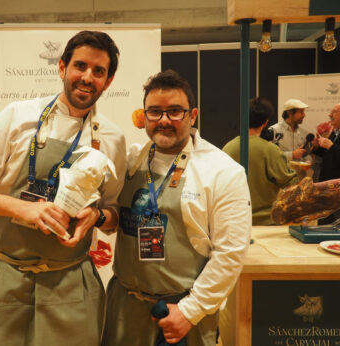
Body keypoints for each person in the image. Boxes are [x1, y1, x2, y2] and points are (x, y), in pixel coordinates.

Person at [0, 30, 126, 346]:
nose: (87, 77)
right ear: (62, 67)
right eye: (80, 66)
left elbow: (114, 213)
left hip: (70, 282)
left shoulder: (112, 139)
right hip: (4, 276)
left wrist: (97, 217)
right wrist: (24, 208)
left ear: (108, 81)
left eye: (99, 71)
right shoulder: (18, 117)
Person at [102, 70, 252, 346]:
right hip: (124, 309)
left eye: (174, 112)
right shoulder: (130, 161)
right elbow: (112, 219)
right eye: (155, 112)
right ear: (144, 116)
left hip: (181, 315)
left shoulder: (222, 171)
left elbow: (230, 254)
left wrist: (190, 311)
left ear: (192, 116)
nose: (164, 121)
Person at [223, 97, 298, 225]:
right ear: (265, 123)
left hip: (234, 221)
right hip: (266, 223)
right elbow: (291, 184)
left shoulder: (227, 148)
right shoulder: (271, 150)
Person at [313, 103, 340, 224]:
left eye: (333, 111)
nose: (329, 114)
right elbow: (329, 155)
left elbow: (334, 150)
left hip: (337, 188)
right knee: (324, 220)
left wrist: (331, 146)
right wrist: (317, 147)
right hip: (327, 186)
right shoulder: (335, 132)